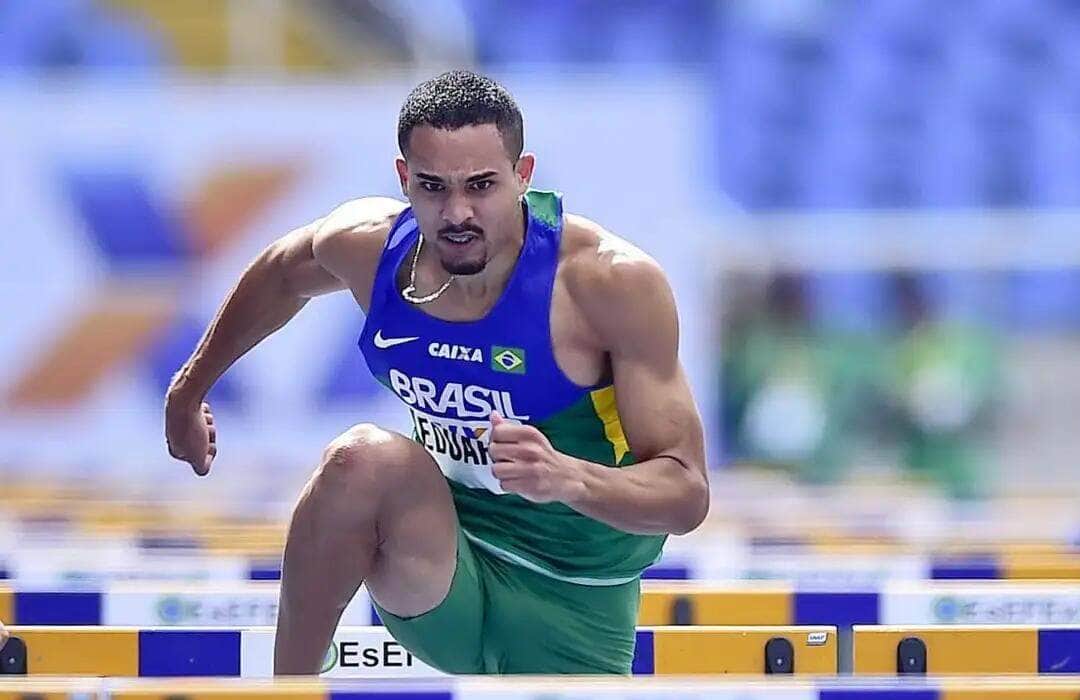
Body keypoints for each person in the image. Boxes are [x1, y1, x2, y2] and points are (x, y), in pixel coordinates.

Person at [164, 70, 708, 675]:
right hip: (442, 569)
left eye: (481, 185)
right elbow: (286, 269)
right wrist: (189, 390)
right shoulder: (372, 248)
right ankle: (290, 690)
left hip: (577, 591)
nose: (457, 213)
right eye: (432, 186)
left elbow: (685, 494)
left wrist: (566, 478)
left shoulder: (606, 283)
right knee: (361, 461)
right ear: (403, 179)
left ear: (523, 176)